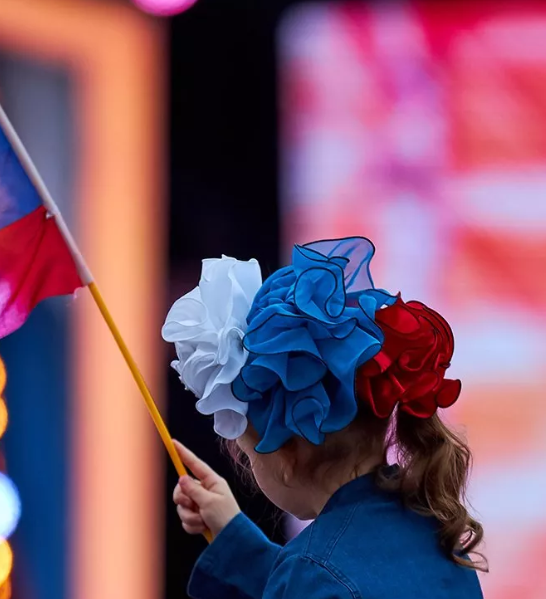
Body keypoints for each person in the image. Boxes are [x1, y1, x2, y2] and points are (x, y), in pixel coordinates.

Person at [162, 237, 485, 599]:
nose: (249, 464)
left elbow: (325, 580)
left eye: (249, 454)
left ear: (287, 454)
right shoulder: (432, 530)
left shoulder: (314, 574)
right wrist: (232, 534)